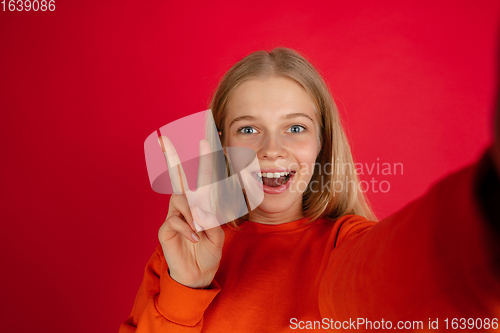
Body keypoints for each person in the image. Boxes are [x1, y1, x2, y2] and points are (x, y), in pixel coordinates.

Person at [119, 48, 500, 332]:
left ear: (323, 142)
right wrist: (186, 286)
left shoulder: (345, 243)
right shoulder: (177, 252)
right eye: (248, 129)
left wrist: (487, 202)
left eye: (296, 128)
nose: (271, 148)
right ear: (221, 145)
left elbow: (405, 270)